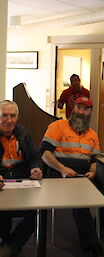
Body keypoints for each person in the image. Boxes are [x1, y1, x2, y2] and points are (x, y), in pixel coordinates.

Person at [40, 97, 104, 257]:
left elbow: (95, 159)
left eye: (86, 109)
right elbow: (44, 153)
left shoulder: (93, 134)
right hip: (58, 173)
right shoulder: (57, 126)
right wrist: (62, 169)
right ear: (73, 108)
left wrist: (93, 171)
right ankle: (92, 243)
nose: (81, 112)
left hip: (84, 176)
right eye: (79, 108)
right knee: (80, 200)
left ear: (90, 111)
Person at [0, 100, 43, 257]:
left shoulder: (24, 133)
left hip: (22, 185)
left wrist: (36, 168)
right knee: (2, 219)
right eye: (4, 115)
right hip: (1, 186)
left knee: (37, 213)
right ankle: (6, 243)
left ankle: (10, 246)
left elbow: (35, 157)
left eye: (12, 116)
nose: (9, 120)